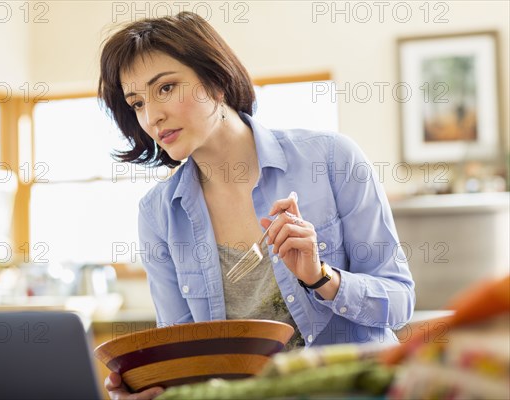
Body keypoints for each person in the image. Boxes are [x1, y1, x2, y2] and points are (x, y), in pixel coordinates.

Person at [98, 11, 415, 400]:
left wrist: (321, 277)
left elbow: (400, 303)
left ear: (215, 80)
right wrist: (148, 388)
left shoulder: (332, 159)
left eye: (165, 88)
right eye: (136, 103)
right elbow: (185, 360)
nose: (151, 116)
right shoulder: (158, 214)